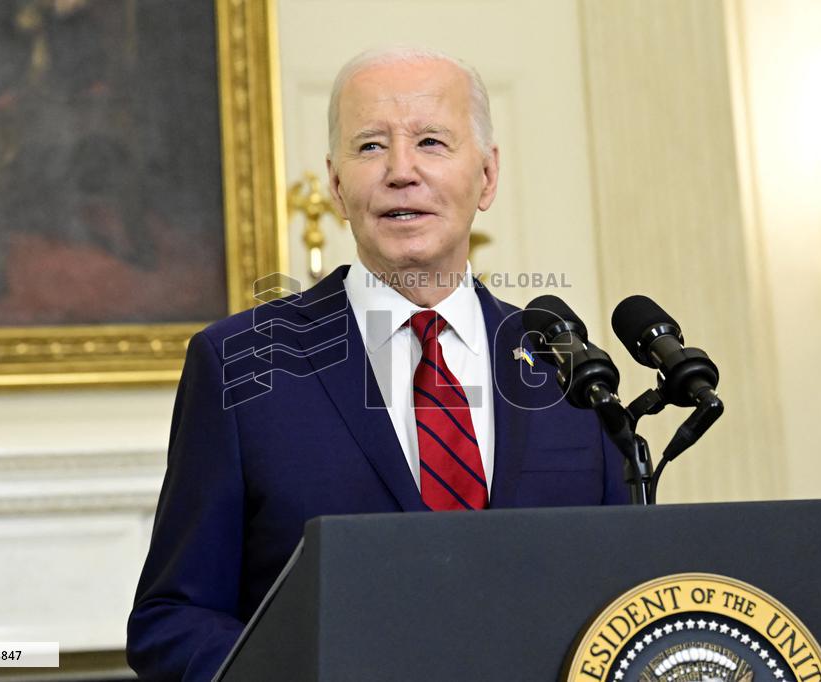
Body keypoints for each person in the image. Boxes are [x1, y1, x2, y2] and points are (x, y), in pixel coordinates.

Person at [126, 46, 628, 681]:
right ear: (336, 184)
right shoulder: (240, 363)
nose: (401, 171)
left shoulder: (566, 367)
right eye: (369, 147)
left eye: (431, 141)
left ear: (489, 176)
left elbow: (628, 599)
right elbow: (173, 619)